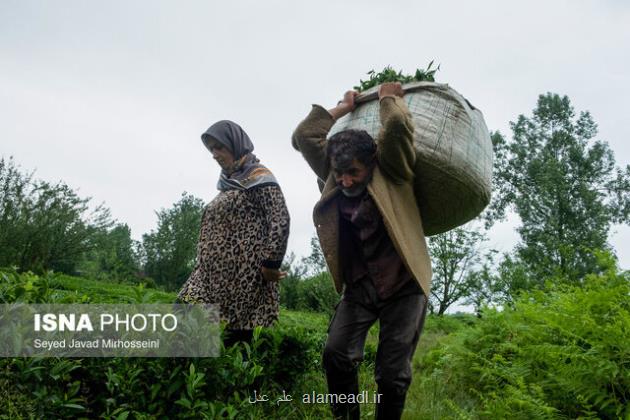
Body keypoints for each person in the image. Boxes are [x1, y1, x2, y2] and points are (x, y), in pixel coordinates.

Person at [292, 82, 432, 419]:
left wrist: (388, 97)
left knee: (392, 373)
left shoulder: (393, 170)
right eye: (340, 174)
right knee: (336, 353)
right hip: (361, 287)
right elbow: (304, 136)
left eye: (353, 172)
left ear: (370, 163)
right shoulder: (332, 174)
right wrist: (343, 106)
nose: (346, 181)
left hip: (404, 285)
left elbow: (397, 127)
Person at [178, 120, 290, 347]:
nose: (214, 154)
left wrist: (271, 264)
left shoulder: (259, 177)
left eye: (219, 147)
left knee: (233, 342)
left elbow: (280, 219)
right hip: (209, 275)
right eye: (211, 149)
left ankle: (242, 383)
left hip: (241, 279)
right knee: (182, 322)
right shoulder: (229, 183)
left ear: (235, 144)